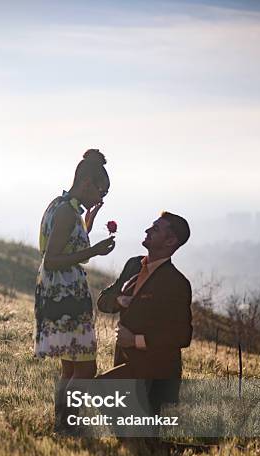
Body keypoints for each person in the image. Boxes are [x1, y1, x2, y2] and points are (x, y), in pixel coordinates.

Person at [34, 149, 115, 404]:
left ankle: (63, 423)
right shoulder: (68, 212)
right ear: (87, 183)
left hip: (57, 291)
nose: (100, 198)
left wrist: (86, 225)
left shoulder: (63, 206)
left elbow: (64, 245)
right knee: (85, 369)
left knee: (70, 367)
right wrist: (95, 250)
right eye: (101, 192)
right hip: (66, 295)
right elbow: (53, 259)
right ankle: (68, 423)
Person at [97, 212, 192, 421]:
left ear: (171, 241)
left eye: (156, 229)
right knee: (139, 440)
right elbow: (103, 301)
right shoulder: (133, 265)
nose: (147, 230)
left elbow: (182, 336)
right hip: (126, 363)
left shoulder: (176, 283)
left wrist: (136, 340)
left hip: (155, 372)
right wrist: (119, 301)